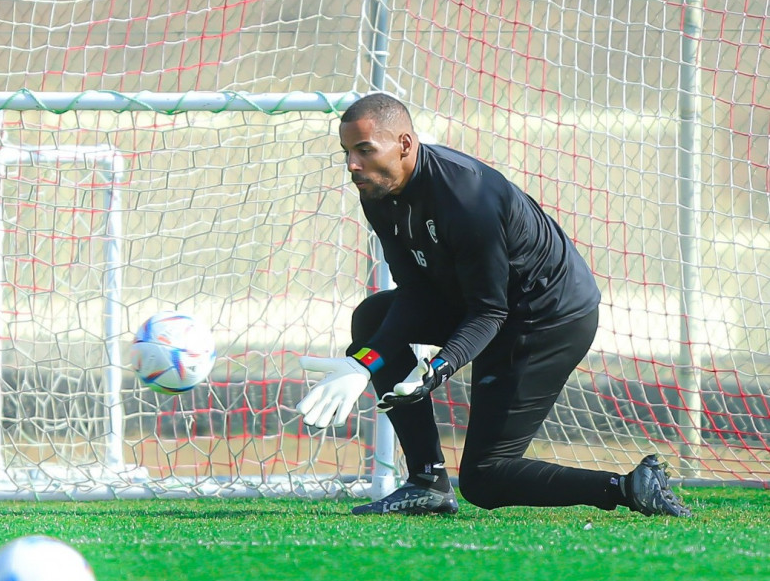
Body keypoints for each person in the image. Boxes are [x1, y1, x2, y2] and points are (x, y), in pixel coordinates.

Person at [296, 93, 691, 518]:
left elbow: (489, 311)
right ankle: (426, 482)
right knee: (373, 318)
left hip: (546, 318)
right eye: (347, 152)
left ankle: (629, 486)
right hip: (487, 306)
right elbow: (415, 292)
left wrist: (438, 368)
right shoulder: (377, 191)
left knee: (485, 478)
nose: (352, 165)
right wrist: (365, 363)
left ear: (404, 144)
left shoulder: (466, 198)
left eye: (364, 150)